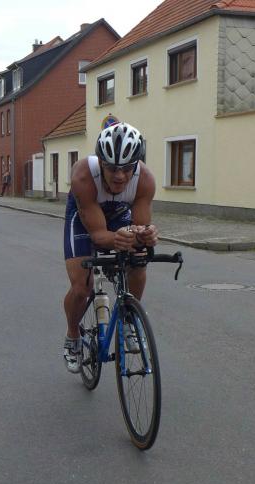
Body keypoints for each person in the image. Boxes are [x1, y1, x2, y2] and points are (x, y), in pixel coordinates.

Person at [61, 122, 158, 373]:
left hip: (118, 213)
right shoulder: (83, 176)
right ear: (101, 163)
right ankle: (72, 335)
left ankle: (129, 321)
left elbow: (139, 229)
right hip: (84, 216)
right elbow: (97, 234)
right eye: (112, 168)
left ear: (136, 164)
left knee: (138, 258)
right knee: (82, 287)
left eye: (127, 168)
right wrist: (118, 239)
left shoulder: (145, 180)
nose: (120, 176)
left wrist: (145, 235)